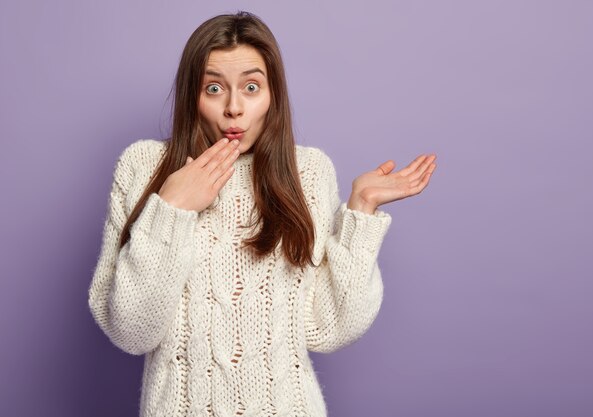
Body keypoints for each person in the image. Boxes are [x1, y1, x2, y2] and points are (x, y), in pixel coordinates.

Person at [88, 10, 436, 417]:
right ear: (191, 95)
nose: (234, 108)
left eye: (251, 87)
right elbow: (131, 330)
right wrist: (171, 207)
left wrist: (361, 213)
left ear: (273, 95)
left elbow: (328, 328)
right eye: (214, 88)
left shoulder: (308, 172)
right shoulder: (143, 166)